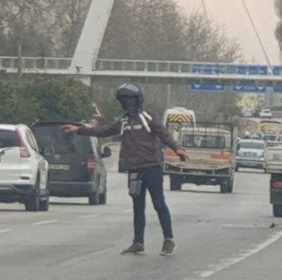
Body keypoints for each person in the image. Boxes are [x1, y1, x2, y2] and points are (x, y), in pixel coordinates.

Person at [62, 83, 189, 256]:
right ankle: (138, 242)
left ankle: (169, 240)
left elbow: (164, 134)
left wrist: (177, 148)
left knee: (159, 204)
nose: (128, 104)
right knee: (138, 207)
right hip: (134, 170)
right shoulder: (123, 121)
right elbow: (102, 130)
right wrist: (79, 130)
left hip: (152, 167)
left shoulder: (149, 117)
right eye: (125, 101)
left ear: (138, 100)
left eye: (131, 100)